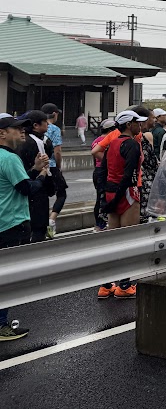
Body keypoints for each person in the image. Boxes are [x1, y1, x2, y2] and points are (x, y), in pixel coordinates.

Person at [0, 113, 51, 340]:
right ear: (2, 133)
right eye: (17, 127)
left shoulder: (4, 157)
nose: (23, 131)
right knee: (7, 278)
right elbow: (27, 189)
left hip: (2, 222)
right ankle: (1, 325)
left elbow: (15, 184)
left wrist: (32, 169)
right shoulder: (9, 158)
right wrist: (41, 174)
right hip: (12, 223)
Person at [101, 110, 148, 298]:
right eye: (138, 122)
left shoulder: (111, 143)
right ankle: (125, 285)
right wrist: (120, 196)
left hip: (111, 191)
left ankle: (106, 285)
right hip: (127, 192)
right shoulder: (132, 145)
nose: (140, 126)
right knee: (128, 240)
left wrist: (106, 201)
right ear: (129, 124)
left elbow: (102, 171)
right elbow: (129, 175)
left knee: (113, 242)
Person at [16, 110, 55, 242]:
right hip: (36, 191)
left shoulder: (20, 144)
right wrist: (47, 182)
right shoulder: (37, 142)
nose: (22, 132)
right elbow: (44, 167)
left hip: (24, 194)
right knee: (38, 229)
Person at [41, 103, 68, 238]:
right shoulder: (54, 129)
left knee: (42, 196)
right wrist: (58, 166)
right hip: (51, 165)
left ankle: (43, 223)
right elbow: (57, 151)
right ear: (55, 114)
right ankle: (52, 219)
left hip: (39, 166)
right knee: (61, 193)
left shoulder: (37, 127)